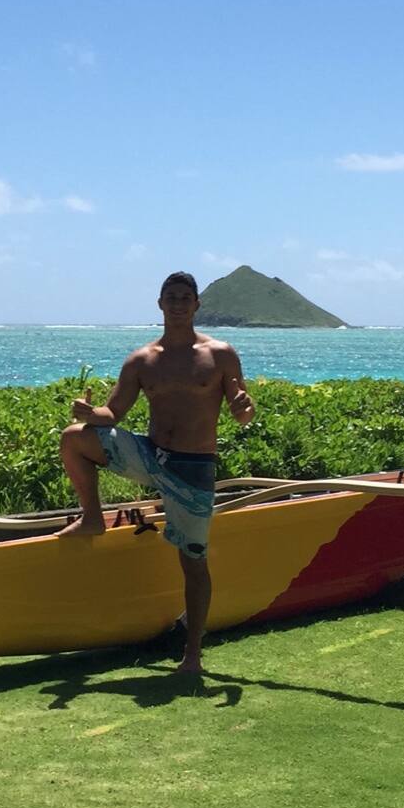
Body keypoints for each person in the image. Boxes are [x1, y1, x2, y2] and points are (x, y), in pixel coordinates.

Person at [58, 271, 255, 672]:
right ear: (160, 303)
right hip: (151, 455)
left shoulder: (220, 354)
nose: (179, 303)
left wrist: (244, 409)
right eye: (172, 296)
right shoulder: (142, 360)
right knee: (74, 437)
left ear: (197, 305)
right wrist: (88, 413)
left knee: (193, 562)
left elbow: (242, 410)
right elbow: (113, 413)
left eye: (186, 297)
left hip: (193, 467)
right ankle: (92, 518)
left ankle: (193, 654)